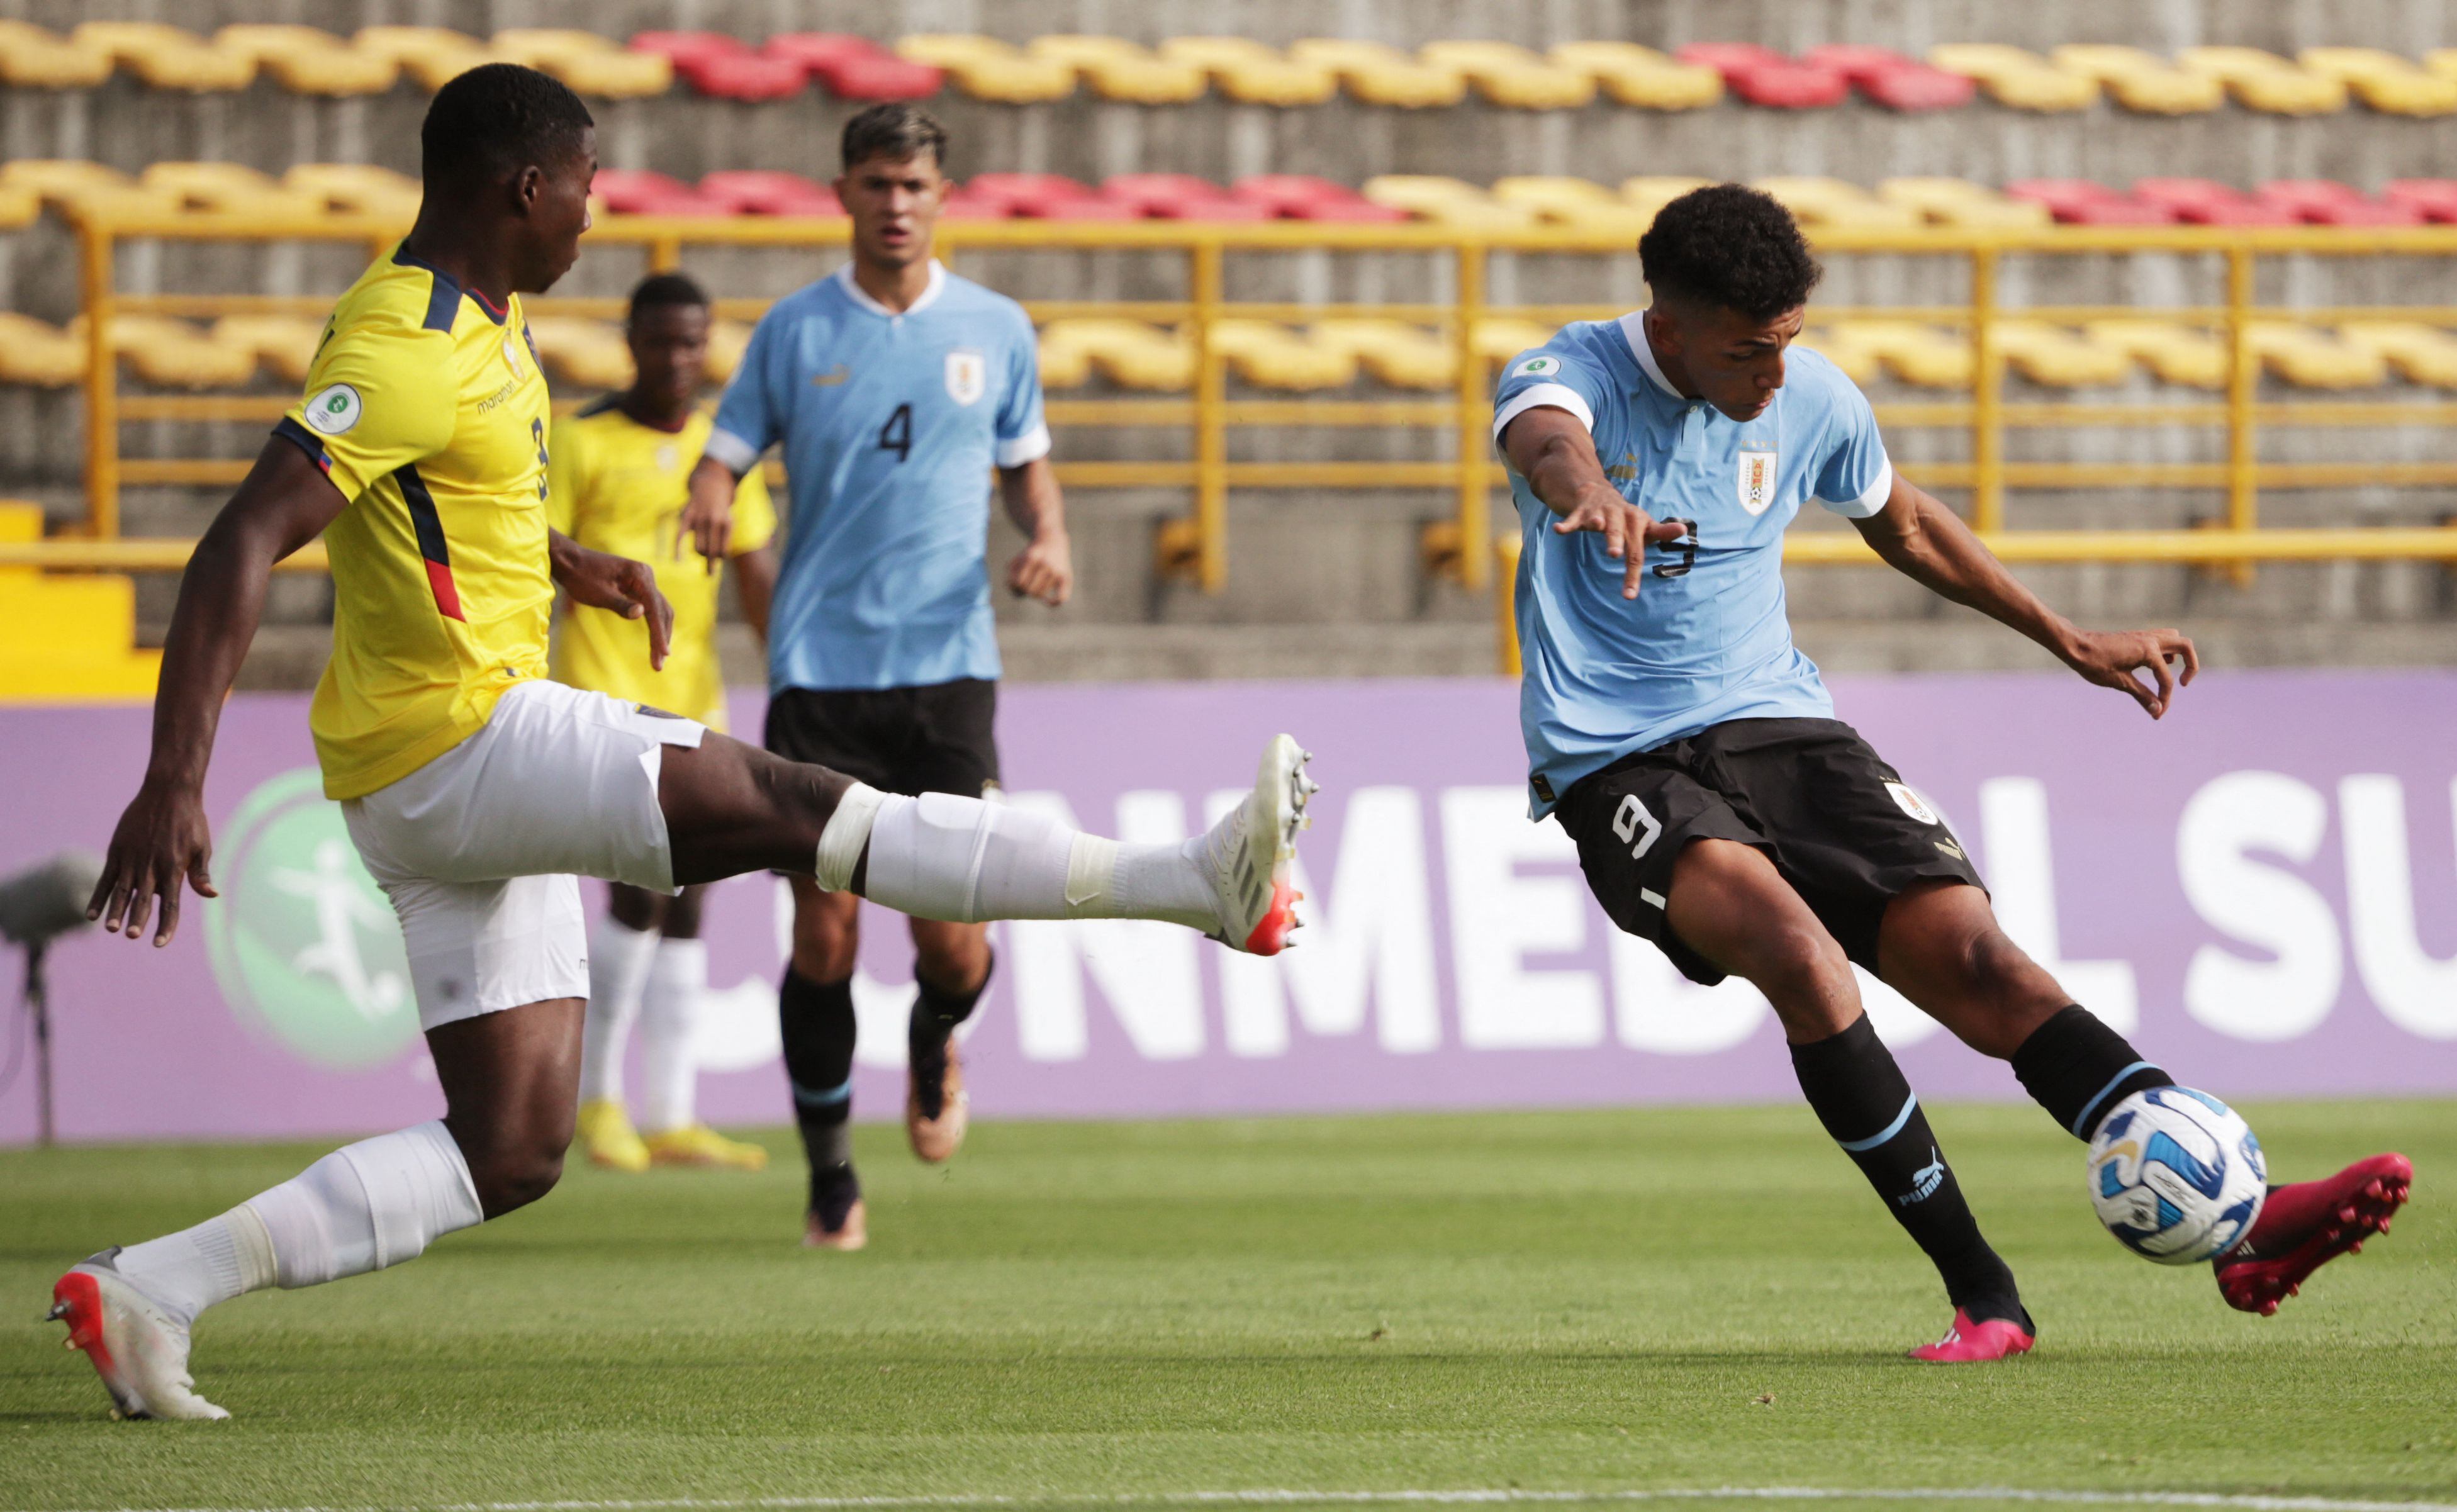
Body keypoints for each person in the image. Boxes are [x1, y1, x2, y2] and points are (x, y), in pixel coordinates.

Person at [52, 64, 1312, 1423]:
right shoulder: (407, 342)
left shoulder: (474, 322)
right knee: (793, 802)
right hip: (464, 741)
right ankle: (1194, 883)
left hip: (418, 780)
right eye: (585, 182)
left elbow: (415, 500)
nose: (597, 209)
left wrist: (559, 561)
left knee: (514, 1144)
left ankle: (151, 1288)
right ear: (523, 186)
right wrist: (174, 775)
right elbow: (244, 534)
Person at [1492, 184, 2412, 1364]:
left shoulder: (1808, 395)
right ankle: (1984, 1293)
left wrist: (2066, 637)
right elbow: (1547, 442)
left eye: (1788, 344)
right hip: (1617, 755)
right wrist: (1595, 497)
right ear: (1667, 330)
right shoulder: (1565, 375)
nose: (1775, 376)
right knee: (1798, 954)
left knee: (1979, 960)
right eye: (1747, 351)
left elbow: (1905, 524)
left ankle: (2239, 1226)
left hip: (1780, 721)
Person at [679, 103, 1071, 1251]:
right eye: (874, 184)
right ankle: (831, 1177)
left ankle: (936, 1035)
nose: (894, 204)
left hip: (948, 671)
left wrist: (1045, 537)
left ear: (941, 197)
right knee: (825, 934)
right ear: (842, 193)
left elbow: (1026, 469)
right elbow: (727, 446)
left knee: (953, 939)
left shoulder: (995, 329)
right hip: (819, 673)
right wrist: (710, 486)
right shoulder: (795, 333)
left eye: (912, 186)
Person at [551, 271, 776, 1175]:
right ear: (630, 341)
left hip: (699, 699)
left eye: (693, 343)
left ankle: (673, 1112)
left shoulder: (724, 456)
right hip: (606, 700)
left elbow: (757, 573)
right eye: (661, 341)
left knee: (689, 902)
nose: (678, 360)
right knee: (637, 894)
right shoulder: (581, 441)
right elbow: (542, 558)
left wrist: (792, 673)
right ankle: (598, 1102)